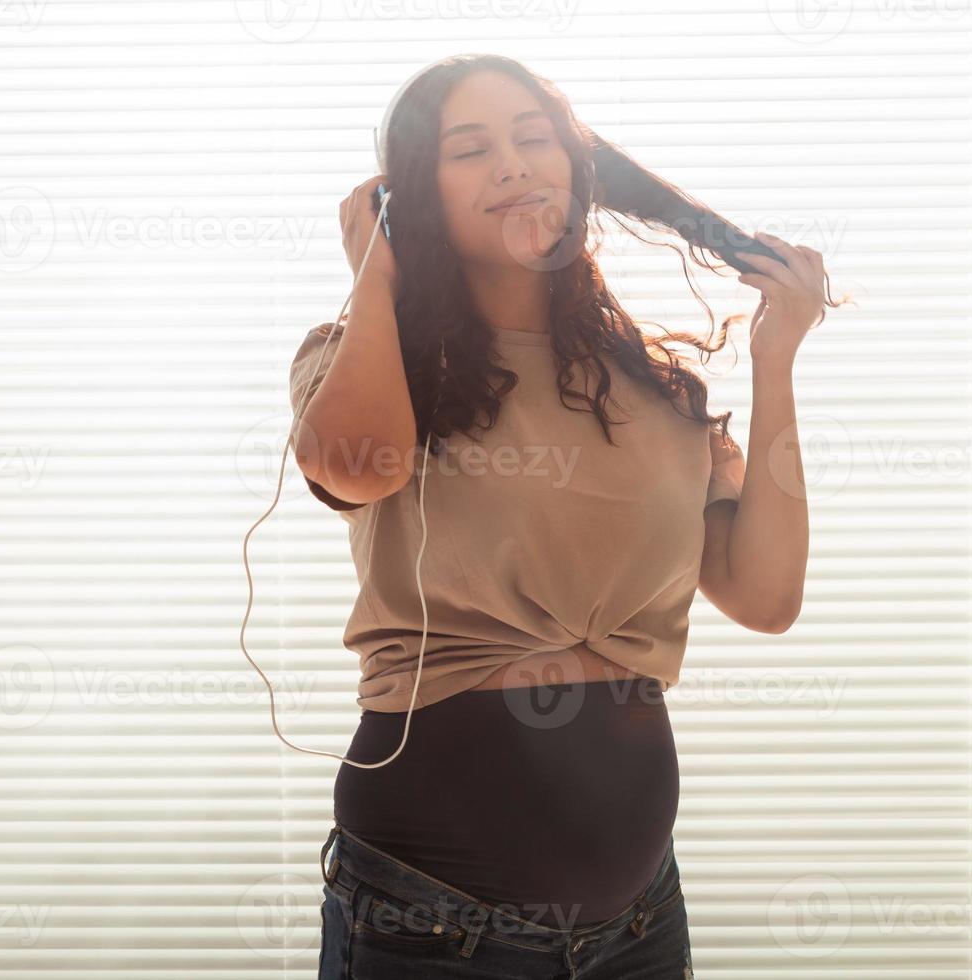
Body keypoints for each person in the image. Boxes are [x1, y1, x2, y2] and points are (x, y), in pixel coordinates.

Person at [294, 53, 834, 980]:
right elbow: (358, 466)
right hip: (431, 928)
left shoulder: (660, 394)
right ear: (410, 198)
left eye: (533, 137)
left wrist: (776, 360)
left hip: (639, 924)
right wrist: (374, 276)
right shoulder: (364, 357)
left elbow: (766, 595)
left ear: (574, 170)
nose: (511, 164)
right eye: (470, 149)